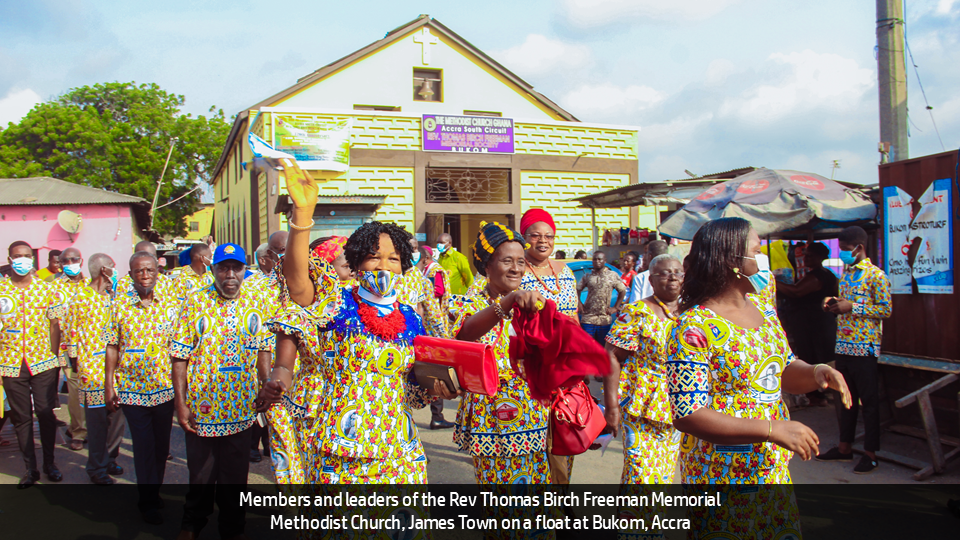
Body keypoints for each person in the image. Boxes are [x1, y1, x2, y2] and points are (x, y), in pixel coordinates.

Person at [257, 157, 447, 484]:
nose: (384, 266)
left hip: (399, 454)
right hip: (341, 454)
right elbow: (298, 283)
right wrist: (302, 216)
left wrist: (439, 386)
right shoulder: (336, 304)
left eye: (394, 259)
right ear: (358, 263)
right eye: (374, 257)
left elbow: (415, 386)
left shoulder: (411, 319)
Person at [665, 218, 851, 538]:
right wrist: (772, 429)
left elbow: (784, 371)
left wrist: (817, 372)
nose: (762, 259)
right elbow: (689, 414)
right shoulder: (693, 327)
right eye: (756, 251)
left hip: (771, 472)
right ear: (731, 260)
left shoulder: (762, 312)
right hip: (722, 476)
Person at [171, 243, 273, 540]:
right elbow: (180, 356)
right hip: (202, 408)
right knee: (201, 476)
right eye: (223, 267)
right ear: (212, 269)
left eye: (236, 267)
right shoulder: (193, 302)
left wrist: (265, 386)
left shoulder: (257, 302)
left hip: (241, 408)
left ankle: (232, 529)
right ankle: (192, 524)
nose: (230, 274)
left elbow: (263, 349)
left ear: (245, 269)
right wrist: (180, 403)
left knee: (234, 479)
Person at [450, 221, 553, 484]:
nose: (516, 268)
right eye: (507, 261)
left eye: (521, 261)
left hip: (531, 411)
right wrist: (505, 305)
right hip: (489, 413)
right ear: (486, 266)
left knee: (535, 492)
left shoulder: (532, 300)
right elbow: (464, 335)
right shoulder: (467, 301)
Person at [105, 252, 179, 524]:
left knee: (161, 447)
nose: (145, 275)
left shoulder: (172, 303)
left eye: (149, 270)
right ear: (131, 274)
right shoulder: (119, 305)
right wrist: (109, 384)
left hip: (165, 388)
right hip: (132, 389)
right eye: (139, 271)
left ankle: (154, 490)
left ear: (156, 272)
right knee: (143, 445)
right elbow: (112, 346)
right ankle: (147, 500)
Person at [816, 226, 891, 474]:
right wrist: (832, 304)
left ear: (859, 248)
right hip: (844, 346)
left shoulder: (876, 276)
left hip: (865, 348)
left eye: (847, 250)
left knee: (869, 402)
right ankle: (844, 448)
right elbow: (843, 303)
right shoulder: (846, 275)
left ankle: (870, 454)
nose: (844, 254)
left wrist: (853, 307)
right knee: (845, 398)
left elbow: (885, 310)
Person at [607, 253, 683, 485]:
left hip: (681, 408)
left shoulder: (694, 313)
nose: (672, 277)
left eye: (677, 273)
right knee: (640, 475)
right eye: (664, 273)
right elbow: (611, 357)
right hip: (643, 407)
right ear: (650, 280)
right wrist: (612, 407)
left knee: (664, 478)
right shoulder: (637, 311)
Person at [518, 208, 579, 485]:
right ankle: (556, 500)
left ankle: (561, 491)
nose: (543, 241)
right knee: (542, 432)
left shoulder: (566, 271)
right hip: (535, 364)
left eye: (549, 236)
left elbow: (575, 316)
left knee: (567, 426)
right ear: (524, 237)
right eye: (535, 235)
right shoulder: (517, 271)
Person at [0, 240, 64, 488]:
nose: (23, 260)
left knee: (46, 413)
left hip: (43, 363)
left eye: (27, 255)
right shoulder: (2, 291)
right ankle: (31, 469)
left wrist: (54, 357)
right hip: (10, 363)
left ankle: (50, 463)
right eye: (17, 256)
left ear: (33, 260)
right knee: (21, 417)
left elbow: (54, 325)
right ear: (9, 258)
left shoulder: (47, 290)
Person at [65, 253, 126, 485]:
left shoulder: (116, 297)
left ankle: (110, 458)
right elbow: (70, 334)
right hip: (92, 372)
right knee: (98, 423)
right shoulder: (80, 298)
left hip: (118, 371)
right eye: (112, 267)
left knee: (117, 420)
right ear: (104, 271)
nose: (114, 271)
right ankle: (96, 468)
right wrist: (76, 366)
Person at [776, 242, 838, 407]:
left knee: (812, 356)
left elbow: (796, 291)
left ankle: (817, 394)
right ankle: (820, 393)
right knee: (817, 356)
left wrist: (771, 281)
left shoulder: (818, 276)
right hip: (818, 323)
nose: (806, 258)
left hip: (813, 324)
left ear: (819, 257)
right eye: (805, 255)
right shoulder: (825, 275)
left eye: (810, 255)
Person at [49, 247, 89, 451]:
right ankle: (79, 432)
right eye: (66, 260)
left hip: (90, 348)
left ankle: (87, 427)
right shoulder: (55, 287)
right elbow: (54, 323)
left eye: (74, 259)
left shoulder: (91, 285)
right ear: (60, 263)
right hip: (66, 348)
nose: (71, 263)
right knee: (74, 389)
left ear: (81, 261)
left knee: (90, 388)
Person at [413, 243, 454, 429]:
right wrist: (446, 339)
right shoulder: (416, 279)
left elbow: (437, 296)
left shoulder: (428, 273)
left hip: (416, 335)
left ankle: (435, 417)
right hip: (422, 335)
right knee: (435, 373)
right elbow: (434, 314)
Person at [577, 251, 626, 345]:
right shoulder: (588, 275)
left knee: (602, 347)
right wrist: (579, 303)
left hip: (604, 318)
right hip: (588, 317)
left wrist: (615, 307)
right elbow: (577, 290)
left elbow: (622, 291)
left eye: (599, 259)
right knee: (587, 345)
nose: (597, 261)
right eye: (594, 259)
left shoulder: (612, 275)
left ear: (605, 261)